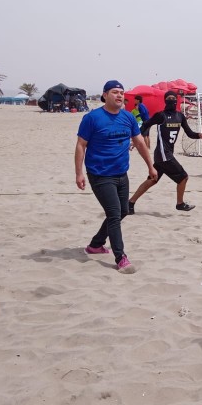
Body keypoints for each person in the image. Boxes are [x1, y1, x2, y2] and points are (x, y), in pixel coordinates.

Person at [76, 80, 156, 274]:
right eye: (114, 92)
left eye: (122, 92)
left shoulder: (128, 118)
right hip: (100, 175)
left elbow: (139, 142)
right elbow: (81, 145)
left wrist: (150, 166)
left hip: (121, 173)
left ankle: (95, 245)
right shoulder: (92, 118)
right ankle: (121, 257)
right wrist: (78, 173)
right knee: (113, 214)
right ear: (105, 95)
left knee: (123, 212)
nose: (119, 96)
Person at [128, 90, 202, 212]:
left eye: (173, 98)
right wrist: (135, 140)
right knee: (183, 177)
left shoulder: (180, 116)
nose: (171, 100)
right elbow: (145, 125)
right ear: (165, 100)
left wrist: (199, 135)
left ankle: (130, 203)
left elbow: (189, 133)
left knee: (152, 180)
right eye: (169, 98)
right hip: (163, 154)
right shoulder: (161, 115)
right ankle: (180, 204)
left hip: (166, 154)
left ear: (176, 100)